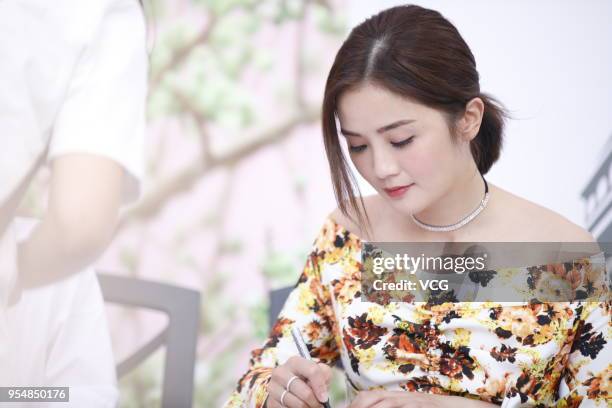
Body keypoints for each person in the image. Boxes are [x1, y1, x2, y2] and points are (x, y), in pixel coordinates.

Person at [224, 4, 610, 408]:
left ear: (468, 119)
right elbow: (255, 381)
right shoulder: (349, 235)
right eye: (357, 146)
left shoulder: (566, 257)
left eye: (402, 140)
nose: (381, 168)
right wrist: (277, 391)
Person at [0, 0, 147, 405]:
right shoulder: (102, 17)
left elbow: (80, 394)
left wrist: (13, 395)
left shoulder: (61, 281)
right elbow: (79, 225)